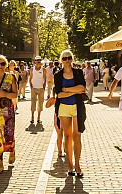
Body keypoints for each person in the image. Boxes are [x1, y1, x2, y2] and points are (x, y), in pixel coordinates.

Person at [51, 48, 87, 177]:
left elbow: (82, 88)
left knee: (77, 136)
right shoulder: (57, 75)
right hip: (64, 107)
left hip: (77, 106)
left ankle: (77, 165)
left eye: (69, 58)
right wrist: (74, 90)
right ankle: (70, 164)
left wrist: (67, 90)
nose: (67, 60)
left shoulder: (78, 72)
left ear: (72, 59)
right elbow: (59, 94)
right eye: (64, 58)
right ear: (61, 60)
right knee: (67, 136)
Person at [29, 55, 46, 127]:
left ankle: (38, 117)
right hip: (34, 88)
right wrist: (31, 87)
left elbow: (45, 79)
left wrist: (43, 88)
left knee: (40, 103)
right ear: (35, 61)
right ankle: (32, 117)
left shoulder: (43, 70)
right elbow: (30, 79)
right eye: (37, 60)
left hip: (41, 89)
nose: (38, 61)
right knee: (33, 103)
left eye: (39, 60)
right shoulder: (32, 69)